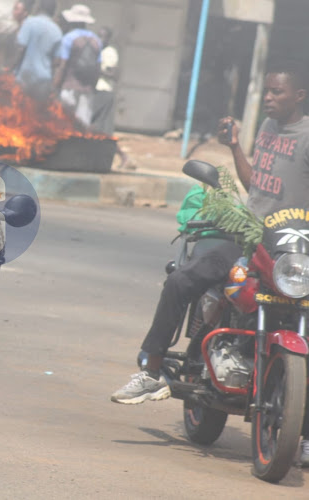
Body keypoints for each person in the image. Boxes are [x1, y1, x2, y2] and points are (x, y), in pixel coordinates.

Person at [110, 59, 309, 465]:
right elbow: (258, 185)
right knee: (181, 280)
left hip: (292, 249)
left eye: (277, 92)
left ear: (299, 97)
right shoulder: (269, 129)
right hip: (249, 239)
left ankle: (301, 433)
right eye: (267, 90)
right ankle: (151, 369)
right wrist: (235, 145)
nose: (269, 98)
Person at [53, 3, 101, 131]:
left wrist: (55, 85)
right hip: (87, 89)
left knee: (64, 123)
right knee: (83, 125)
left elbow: (62, 65)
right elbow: (98, 67)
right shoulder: (96, 40)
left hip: (69, 86)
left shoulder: (69, 38)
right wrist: (93, 87)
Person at [90, 26, 129, 168]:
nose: (100, 39)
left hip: (104, 92)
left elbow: (114, 75)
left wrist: (97, 70)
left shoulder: (109, 53)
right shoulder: (96, 50)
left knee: (100, 130)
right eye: (98, 36)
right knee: (96, 129)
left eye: (103, 37)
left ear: (108, 38)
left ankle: (122, 156)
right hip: (94, 91)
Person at [11, 0, 62, 105]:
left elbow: (19, 49)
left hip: (24, 76)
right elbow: (57, 62)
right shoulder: (57, 31)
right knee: (31, 115)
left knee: (16, 110)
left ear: (39, 7)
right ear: (53, 12)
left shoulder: (29, 22)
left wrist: (11, 68)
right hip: (43, 81)